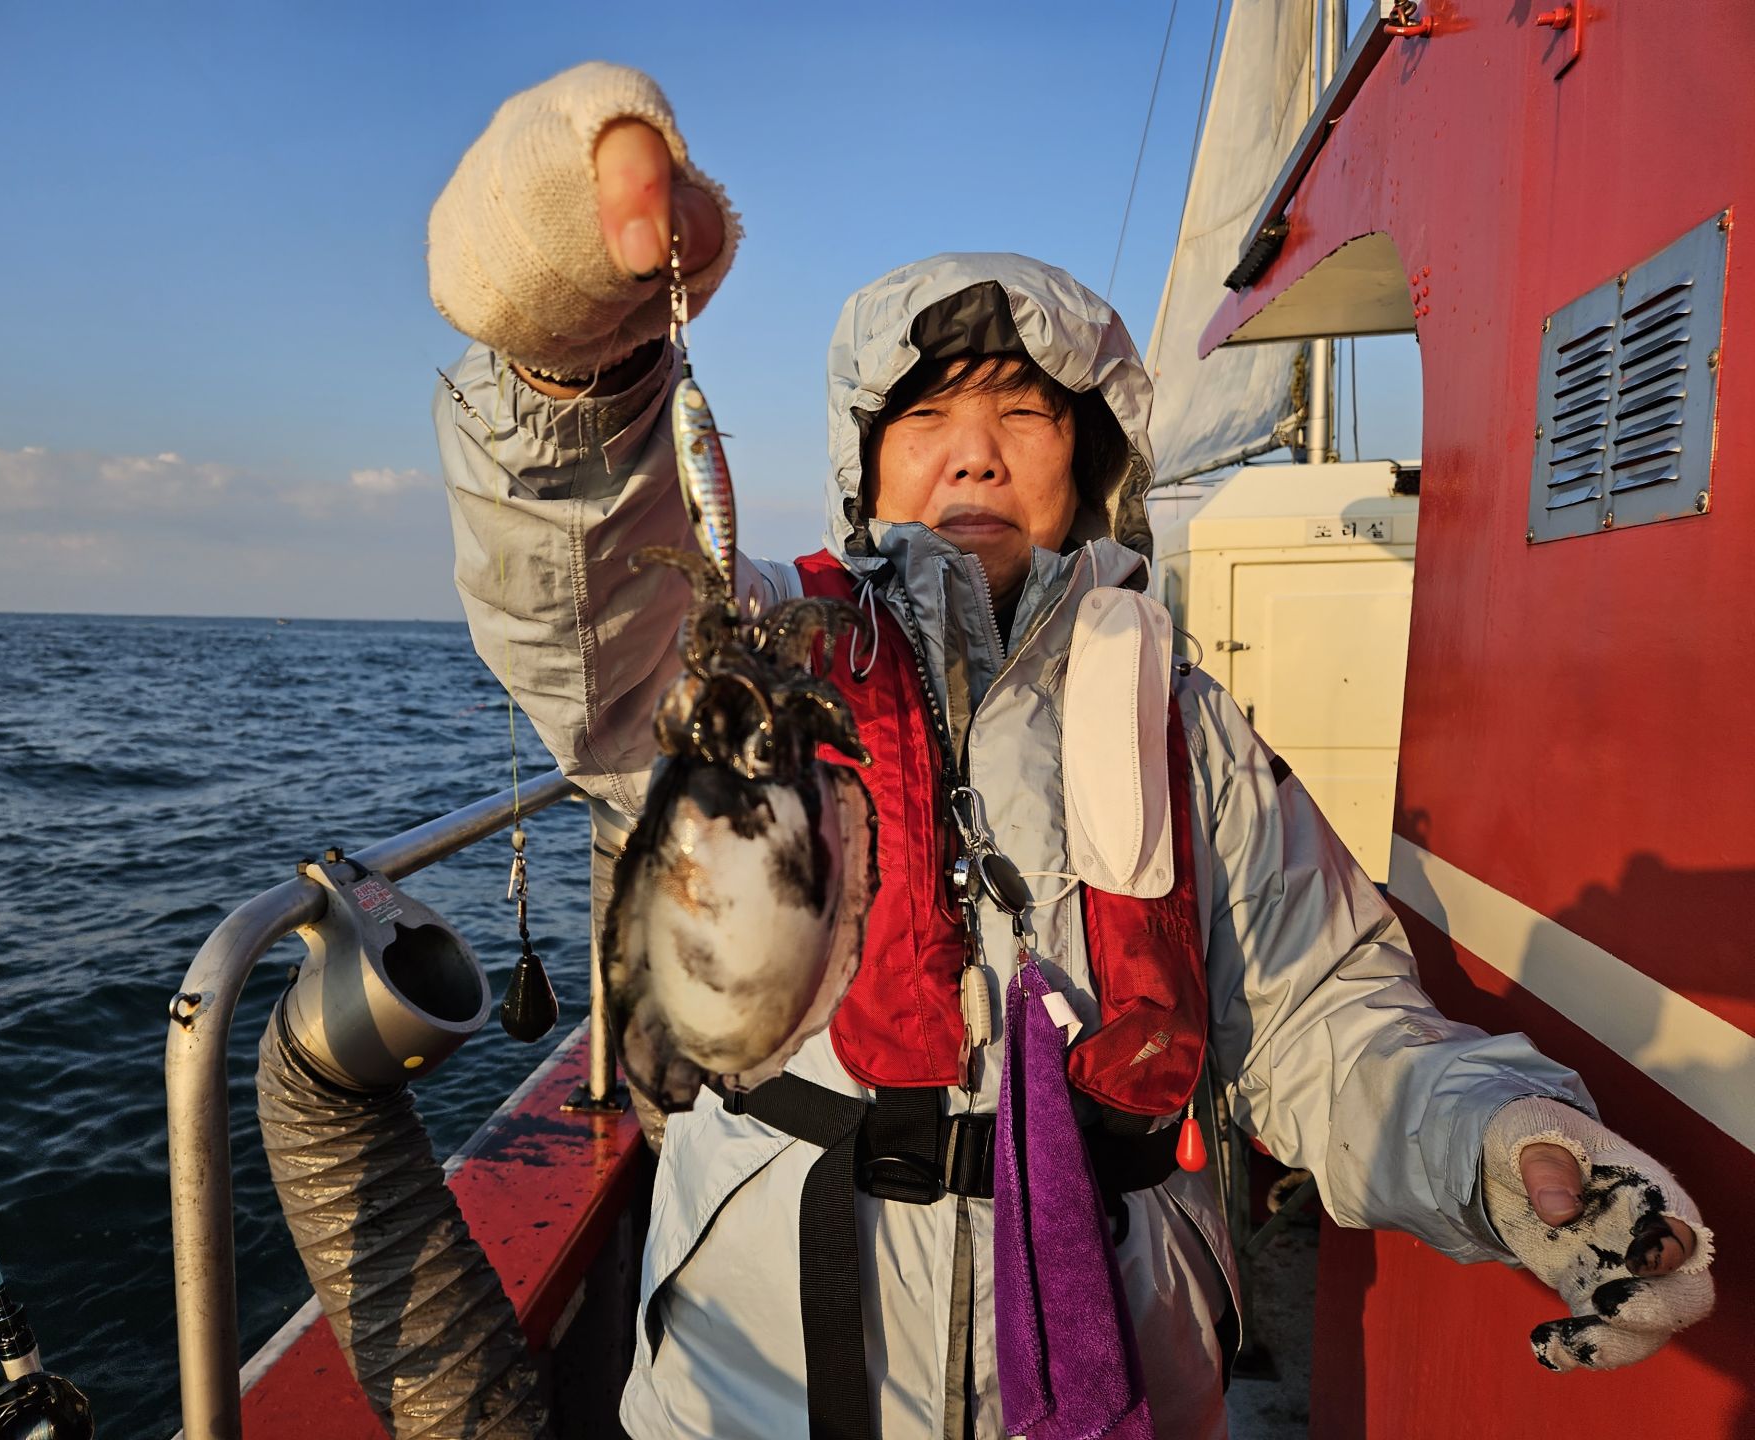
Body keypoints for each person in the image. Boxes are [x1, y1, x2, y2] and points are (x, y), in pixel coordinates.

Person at [426, 62, 1715, 1440]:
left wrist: (1495, 1144)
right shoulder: (759, 664)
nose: (974, 455)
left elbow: (1322, 1017)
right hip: (765, 1388)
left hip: (1128, 1360)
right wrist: (573, 348)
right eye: (926, 415)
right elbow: (579, 608)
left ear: (1091, 458)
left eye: (1025, 414)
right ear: (867, 459)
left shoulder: (1187, 724)